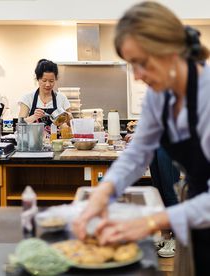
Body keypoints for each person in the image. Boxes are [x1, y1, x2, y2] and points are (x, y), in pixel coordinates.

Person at [73, 2, 210, 275]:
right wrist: (103, 193)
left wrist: (149, 221)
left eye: (141, 63)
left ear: (171, 51)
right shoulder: (160, 97)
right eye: (131, 65)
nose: (136, 76)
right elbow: (137, 154)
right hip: (196, 208)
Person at [18, 59, 72, 134]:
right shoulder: (28, 98)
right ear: (37, 79)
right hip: (34, 142)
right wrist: (34, 116)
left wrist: (68, 118)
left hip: (56, 143)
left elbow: (72, 125)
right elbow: (20, 125)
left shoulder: (61, 98)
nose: (48, 85)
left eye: (51, 81)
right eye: (44, 80)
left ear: (55, 79)